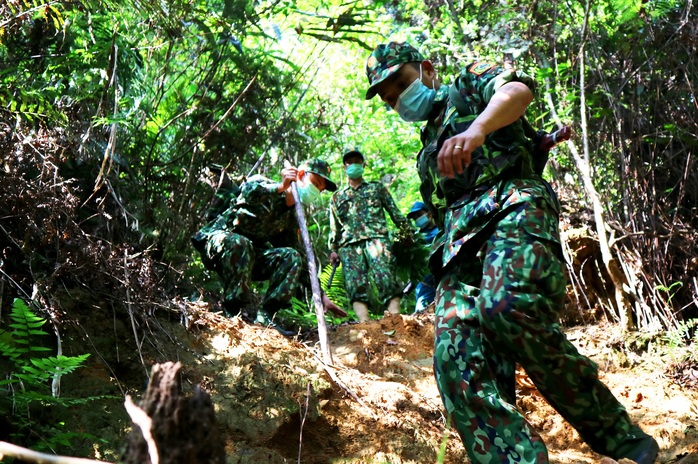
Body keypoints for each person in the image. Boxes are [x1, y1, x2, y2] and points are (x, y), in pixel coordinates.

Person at [364, 42, 659, 464]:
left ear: (426, 69)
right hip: (460, 244)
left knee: (507, 307)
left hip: (513, 206)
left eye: (402, 85)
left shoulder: (468, 85)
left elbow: (516, 92)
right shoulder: (426, 150)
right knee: (455, 360)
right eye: (391, 100)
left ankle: (618, 436)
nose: (399, 101)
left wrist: (479, 129)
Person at [192, 159, 341, 335]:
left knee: (291, 256)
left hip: (249, 258)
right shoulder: (264, 185)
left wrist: (321, 294)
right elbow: (248, 192)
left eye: (320, 189)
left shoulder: (290, 219)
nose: (316, 191)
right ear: (300, 175)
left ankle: (266, 316)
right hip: (219, 243)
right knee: (241, 243)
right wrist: (280, 187)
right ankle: (232, 311)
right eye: (315, 184)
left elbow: (299, 259)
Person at [328, 150, 411, 323]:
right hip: (349, 246)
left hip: (377, 240)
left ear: (363, 165)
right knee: (355, 284)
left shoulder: (376, 188)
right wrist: (333, 250)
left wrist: (407, 233)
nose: (353, 164)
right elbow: (334, 228)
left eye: (357, 161)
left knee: (386, 277)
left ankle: (395, 319)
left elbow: (394, 212)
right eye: (349, 162)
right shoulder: (337, 197)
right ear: (345, 167)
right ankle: (364, 324)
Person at [406, 201, 439, 313]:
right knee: (422, 312)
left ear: (429, 214)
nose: (417, 219)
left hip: (442, 278)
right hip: (424, 283)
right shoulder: (415, 238)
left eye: (419, 215)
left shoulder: (440, 230)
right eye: (415, 218)